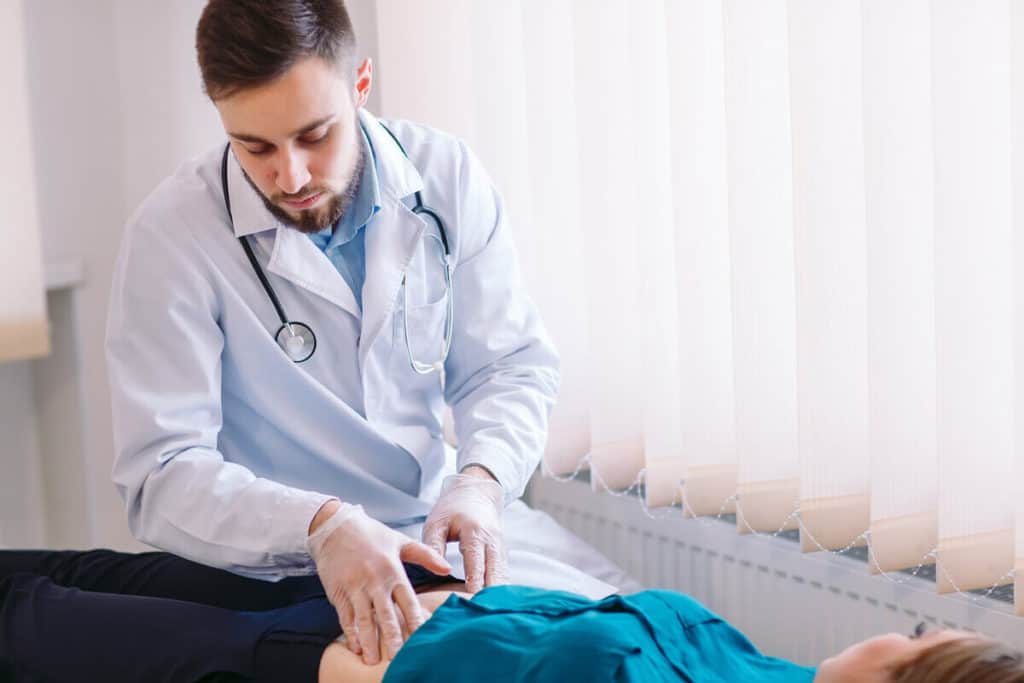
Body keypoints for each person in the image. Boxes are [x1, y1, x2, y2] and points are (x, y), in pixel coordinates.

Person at [105, 0, 630, 668]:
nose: (289, 177)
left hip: (435, 529)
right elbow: (162, 472)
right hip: (284, 566)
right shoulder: (172, 236)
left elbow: (507, 367)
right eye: (255, 147)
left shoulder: (446, 179)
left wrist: (482, 481)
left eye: (314, 135)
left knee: (638, 625)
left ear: (360, 84)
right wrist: (318, 523)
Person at [1, 549, 1020, 683]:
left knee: (40, 620)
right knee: (93, 572)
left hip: (326, 657)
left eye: (922, 644)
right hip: (367, 586)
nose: (906, 629)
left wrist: (342, 670)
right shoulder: (774, 669)